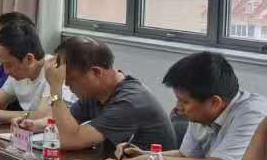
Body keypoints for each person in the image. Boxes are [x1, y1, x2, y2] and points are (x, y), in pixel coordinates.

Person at [99, 52, 267, 160]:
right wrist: (144, 155)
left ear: (214, 102)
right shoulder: (203, 113)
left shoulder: (252, 113)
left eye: (184, 101)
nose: (178, 107)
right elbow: (187, 156)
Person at [14, 36, 175, 153]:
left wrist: (55, 88)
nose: (67, 85)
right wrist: (36, 125)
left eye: (70, 80)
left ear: (96, 73)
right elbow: (67, 122)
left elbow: (68, 140)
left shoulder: (129, 101)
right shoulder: (97, 92)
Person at [0, 20, 74, 124]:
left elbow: (43, 115)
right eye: (3, 64)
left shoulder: (53, 70)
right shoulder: (18, 74)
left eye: (9, 64)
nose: (5, 71)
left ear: (29, 59)